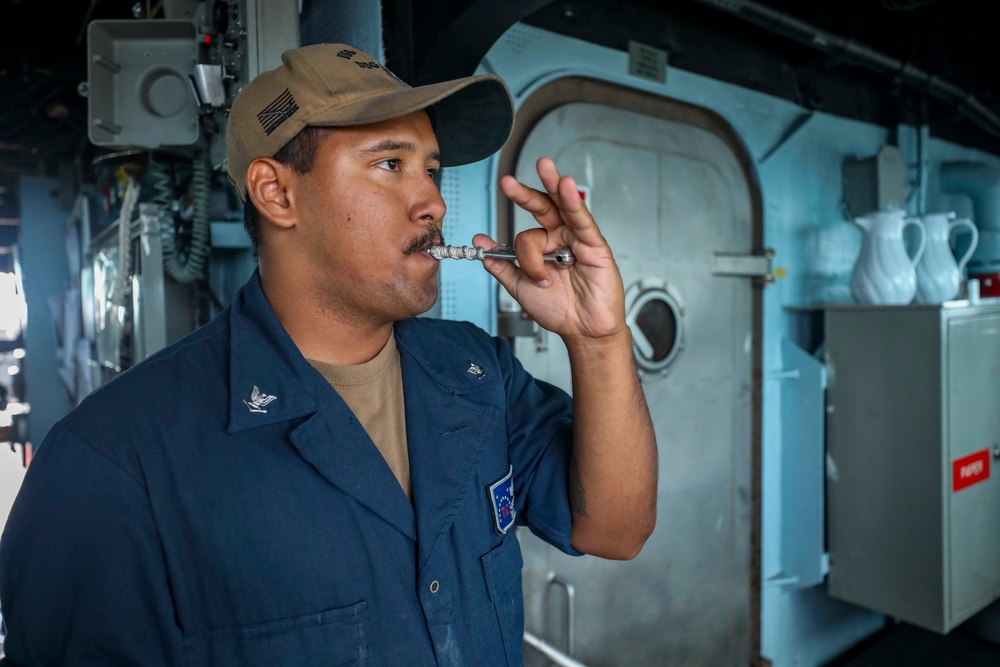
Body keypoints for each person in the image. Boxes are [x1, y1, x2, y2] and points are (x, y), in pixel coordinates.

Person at [0, 43, 657, 665]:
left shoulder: (477, 373)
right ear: (277, 193)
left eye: (431, 168)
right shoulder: (114, 464)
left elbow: (615, 530)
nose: (432, 200)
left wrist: (596, 338)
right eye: (389, 164)